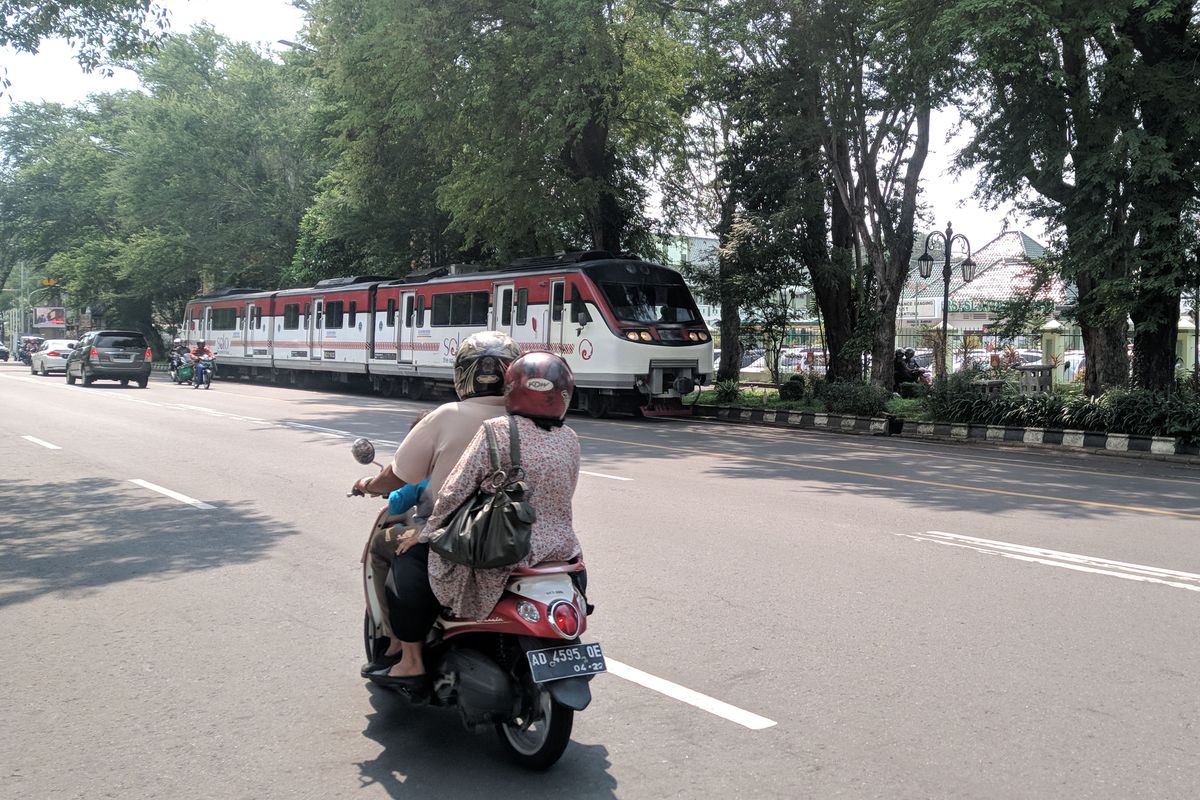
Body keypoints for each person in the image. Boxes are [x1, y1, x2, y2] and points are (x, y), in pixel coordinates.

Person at [373, 351, 583, 692]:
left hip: (498, 547)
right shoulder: (569, 438)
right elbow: (565, 492)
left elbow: (454, 492)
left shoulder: (496, 430)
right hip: (560, 551)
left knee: (409, 560)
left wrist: (427, 533)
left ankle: (410, 661)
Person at [351, 331, 523, 681]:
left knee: (388, 547)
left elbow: (398, 476)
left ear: (463, 373)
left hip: (450, 533)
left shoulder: (447, 415)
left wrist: (368, 485)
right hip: (518, 531)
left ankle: (402, 648)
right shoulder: (533, 421)